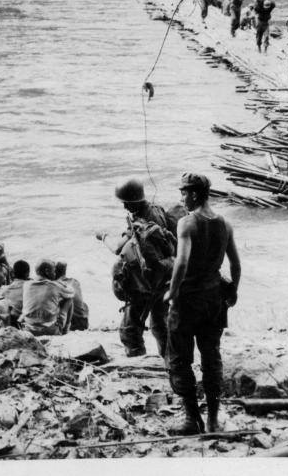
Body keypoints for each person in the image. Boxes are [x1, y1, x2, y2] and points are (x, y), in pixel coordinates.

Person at [164, 173, 241, 436]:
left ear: (194, 194)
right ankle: (213, 420)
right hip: (214, 299)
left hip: (187, 300)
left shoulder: (187, 223)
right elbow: (236, 264)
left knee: (179, 358)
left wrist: (172, 292)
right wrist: (235, 290)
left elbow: (182, 262)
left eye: (183, 193)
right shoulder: (225, 223)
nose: (181, 198)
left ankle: (192, 419)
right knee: (211, 357)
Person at [98, 177, 173, 357]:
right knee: (160, 326)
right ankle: (170, 362)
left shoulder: (142, 223)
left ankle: (138, 364)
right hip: (163, 280)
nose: (124, 207)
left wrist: (103, 236)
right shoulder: (157, 210)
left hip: (146, 284)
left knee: (129, 330)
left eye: (126, 203)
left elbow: (117, 248)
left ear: (135, 200)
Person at [20, 259, 75, 336]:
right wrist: (61, 283)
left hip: (29, 329)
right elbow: (71, 292)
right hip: (50, 330)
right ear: (47, 271)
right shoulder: (54, 285)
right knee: (69, 298)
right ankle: (65, 331)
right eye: (54, 271)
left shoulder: (26, 284)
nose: (55, 274)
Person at [0, 260, 31, 326]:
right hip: (22, 322)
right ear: (27, 274)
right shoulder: (30, 288)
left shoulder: (4, 290)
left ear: (13, 273)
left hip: (9, 321)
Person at [55, 261, 89, 331]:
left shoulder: (56, 284)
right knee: (84, 305)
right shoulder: (75, 281)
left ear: (55, 272)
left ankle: (66, 328)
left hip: (72, 324)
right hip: (83, 322)